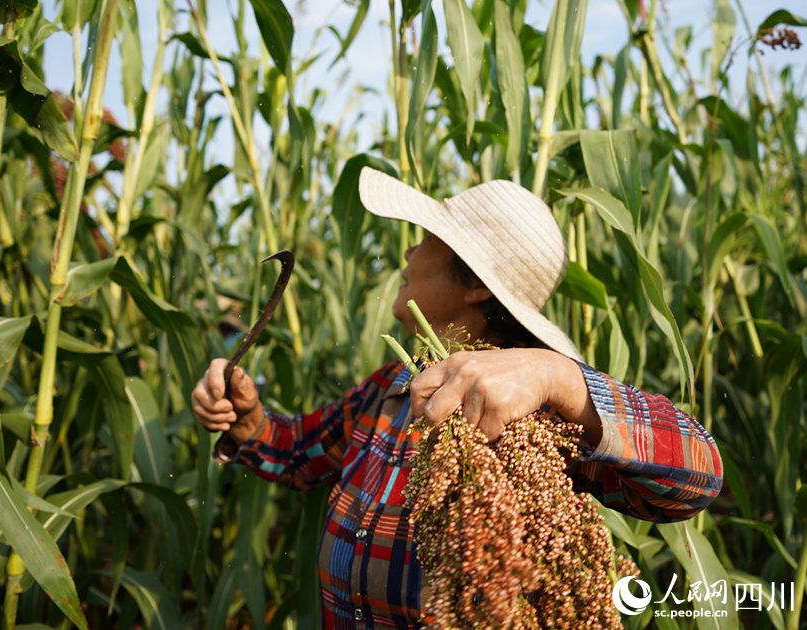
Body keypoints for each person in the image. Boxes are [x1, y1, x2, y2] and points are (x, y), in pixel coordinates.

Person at [191, 167, 723, 628]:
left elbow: (698, 476)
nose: (407, 249)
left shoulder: (542, 419)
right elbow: (302, 452)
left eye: (426, 238)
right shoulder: (388, 390)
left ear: (476, 285)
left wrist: (557, 376)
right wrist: (249, 421)